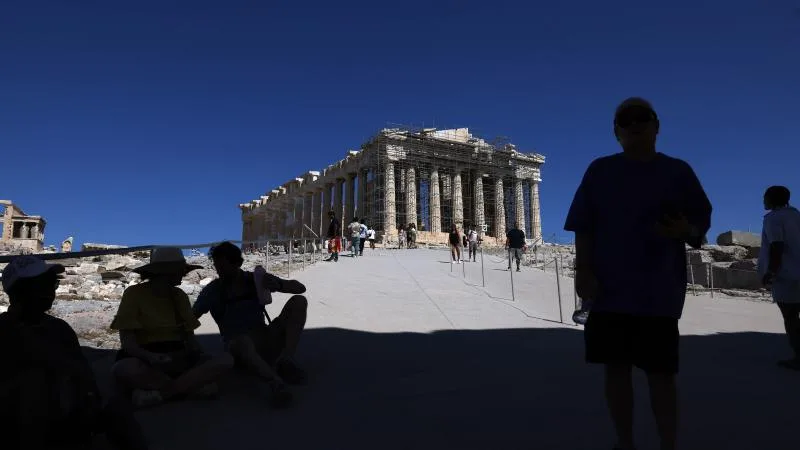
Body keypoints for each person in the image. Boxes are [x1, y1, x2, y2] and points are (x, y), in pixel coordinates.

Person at [564, 97, 711, 450]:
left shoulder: (678, 171)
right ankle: (625, 442)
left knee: (661, 375)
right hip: (609, 289)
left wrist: (684, 230)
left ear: (656, 125)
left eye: (641, 118)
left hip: (658, 290)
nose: (633, 124)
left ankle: (667, 444)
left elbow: (698, 224)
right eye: (624, 120)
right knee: (615, 371)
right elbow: (583, 226)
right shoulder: (600, 170)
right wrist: (582, 269)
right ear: (616, 132)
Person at [0, 256, 149, 450]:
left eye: (51, 284)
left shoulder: (59, 328)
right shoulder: (4, 331)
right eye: (41, 285)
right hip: (21, 423)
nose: (49, 292)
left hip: (68, 417)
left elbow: (82, 372)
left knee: (117, 408)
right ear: (19, 291)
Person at [110, 247, 234, 409]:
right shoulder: (134, 294)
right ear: (165, 272)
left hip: (178, 358)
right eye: (180, 271)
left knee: (225, 360)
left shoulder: (180, 296)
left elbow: (189, 338)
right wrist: (150, 357)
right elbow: (128, 342)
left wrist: (200, 356)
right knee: (124, 368)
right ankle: (188, 387)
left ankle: (161, 394)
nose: (183, 274)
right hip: (146, 359)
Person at [194, 241, 308, 407]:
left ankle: (287, 361)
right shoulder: (213, 290)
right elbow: (192, 316)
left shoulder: (255, 280)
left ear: (238, 264)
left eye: (224, 268)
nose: (221, 273)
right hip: (238, 348)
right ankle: (275, 383)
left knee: (298, 302)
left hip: (265, 337)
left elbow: (300, 288)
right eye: (218, 268)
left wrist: (278, 284)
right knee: (242, 342)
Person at [758, 185, 800, 370]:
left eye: (765, 197)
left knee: (791, 318)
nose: (763, 201)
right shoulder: (795, 215)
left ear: (771, 199)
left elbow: (777, 246)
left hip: (788, 275)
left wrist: (771, 272)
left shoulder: (774, 219)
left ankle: (798, 357)